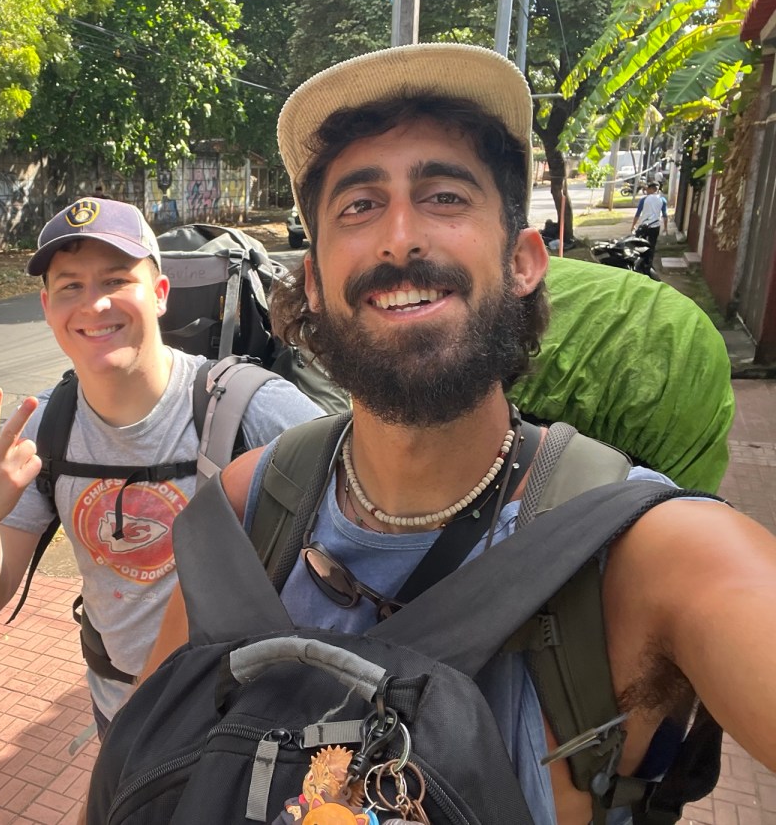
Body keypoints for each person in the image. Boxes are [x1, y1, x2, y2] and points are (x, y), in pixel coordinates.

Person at [142, 44, 776, 825]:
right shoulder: (250, 506)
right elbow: (139, 767)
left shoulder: (652, 556)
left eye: (444, 196)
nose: (399, 238)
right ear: (311, 280)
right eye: (358, 206)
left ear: (523, 260)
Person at [0, 197, 323, 734]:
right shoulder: (44, 428)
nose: (93, 305)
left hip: (238, 719)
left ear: (160, 294)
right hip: (118, 717)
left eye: (117, 280)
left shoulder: (250, 407)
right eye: (70, 286)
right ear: (47, 305)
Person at [632, 180, 668, 267]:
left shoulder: (644, 199)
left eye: (647, 189)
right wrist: (665, 228)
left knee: (639, 244)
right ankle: (649, 264)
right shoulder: (662, 200)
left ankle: (640, 262)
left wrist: (633, 225)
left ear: (651, 189)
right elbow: (665, 215)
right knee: (652, 245)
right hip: (655, 226)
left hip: (644, 226)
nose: (646, 191)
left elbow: (638, 213)